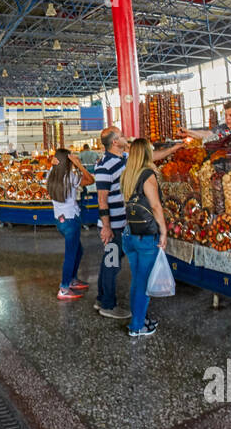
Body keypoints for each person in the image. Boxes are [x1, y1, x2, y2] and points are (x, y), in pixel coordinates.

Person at [94, 127, 181, 321]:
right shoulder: (104, 165)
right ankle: (107, 304)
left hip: (126, 223)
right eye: (122, 135)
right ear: (115, 142)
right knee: (112, 264)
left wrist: (174, 148)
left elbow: (150, 156)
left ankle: (101, 299)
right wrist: (107, 227)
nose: (126, 137)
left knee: (109, 263)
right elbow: (102, 199)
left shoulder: (125, 158)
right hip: (113, 225)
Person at [120, 138, 167, 337]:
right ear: (147, 153)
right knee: (143, 282)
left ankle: (139, 317)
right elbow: (155, 206)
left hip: (129, 233)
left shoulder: (127, 174)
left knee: (137, 280)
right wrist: (163, 231)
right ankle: (137, 326)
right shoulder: (147, 175)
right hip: (146, 236)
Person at [47, 148, 91, 300]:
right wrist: (79, 164)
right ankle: (64, 288)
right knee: (71, 255)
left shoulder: (50, 175)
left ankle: (72, 280)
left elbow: (53, 165)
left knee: (78, 251)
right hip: (71, 220)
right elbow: (90, 180)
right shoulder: (70, 177)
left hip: (60, 220)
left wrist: (54, 162)